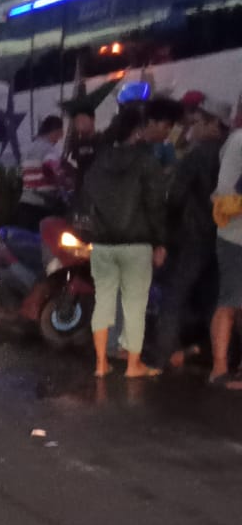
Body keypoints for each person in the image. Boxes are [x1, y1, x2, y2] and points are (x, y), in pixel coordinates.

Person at [82, 103, 167, 379]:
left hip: (104, 243)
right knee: (134, 304)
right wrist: (160, 241)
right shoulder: (146, 161)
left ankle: (100, 363)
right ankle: (133, 365)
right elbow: (155, 204)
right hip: (137, 243)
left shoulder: (100, 159)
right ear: (138, 131)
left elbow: (88, 197)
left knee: (103, 300)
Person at [155, 99, 229, 371]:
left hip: (192, 234)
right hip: (221, 237)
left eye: (199, 121)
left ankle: (166, 353)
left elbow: (175, 196)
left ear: (213, 125)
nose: (193, 126)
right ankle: (218, 355)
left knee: (174, 294)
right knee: (213, 297)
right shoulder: (230, 152)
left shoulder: (198, 154)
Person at [208, 113, 242, 388]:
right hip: (235, 237)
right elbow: (225, 193)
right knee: (230, 301)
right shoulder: (239, 141)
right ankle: (219, 370)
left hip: (232, 235)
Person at [15, 114, 67, 226]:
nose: (60, 138)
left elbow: (21, 175)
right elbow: (55, 171)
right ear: (55, 131)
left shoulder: (29, 149)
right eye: (60, 133)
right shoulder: (49, 150)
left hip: (25, 205)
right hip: (42, 208)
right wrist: (65, 181)